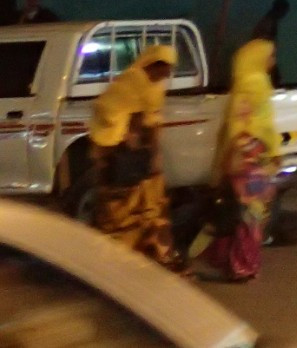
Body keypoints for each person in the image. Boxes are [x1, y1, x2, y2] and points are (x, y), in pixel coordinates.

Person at [194, 38, 282, 281]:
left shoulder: (250, 82)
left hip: (249, 156)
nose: (273, 61)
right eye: (270, 55)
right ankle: (242, 265)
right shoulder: (253, 83)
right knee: (249, 214)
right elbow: (243, 124)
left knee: (246, 212)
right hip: (250, 157)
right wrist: (262, 153)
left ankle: (233, 261)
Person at [85, 44, 181, 267]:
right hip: (117, 154)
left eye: (169, 69)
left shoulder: (154, 86)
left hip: (140, 158)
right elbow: (109, 109)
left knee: (148, 206)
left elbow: (151, 119)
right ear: (154, 64)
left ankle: (144, 256)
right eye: (165, 67)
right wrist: (128, 130)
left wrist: (153, 152)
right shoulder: (133, 80)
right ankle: (114, 263)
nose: (167, 74)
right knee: (119, 211)